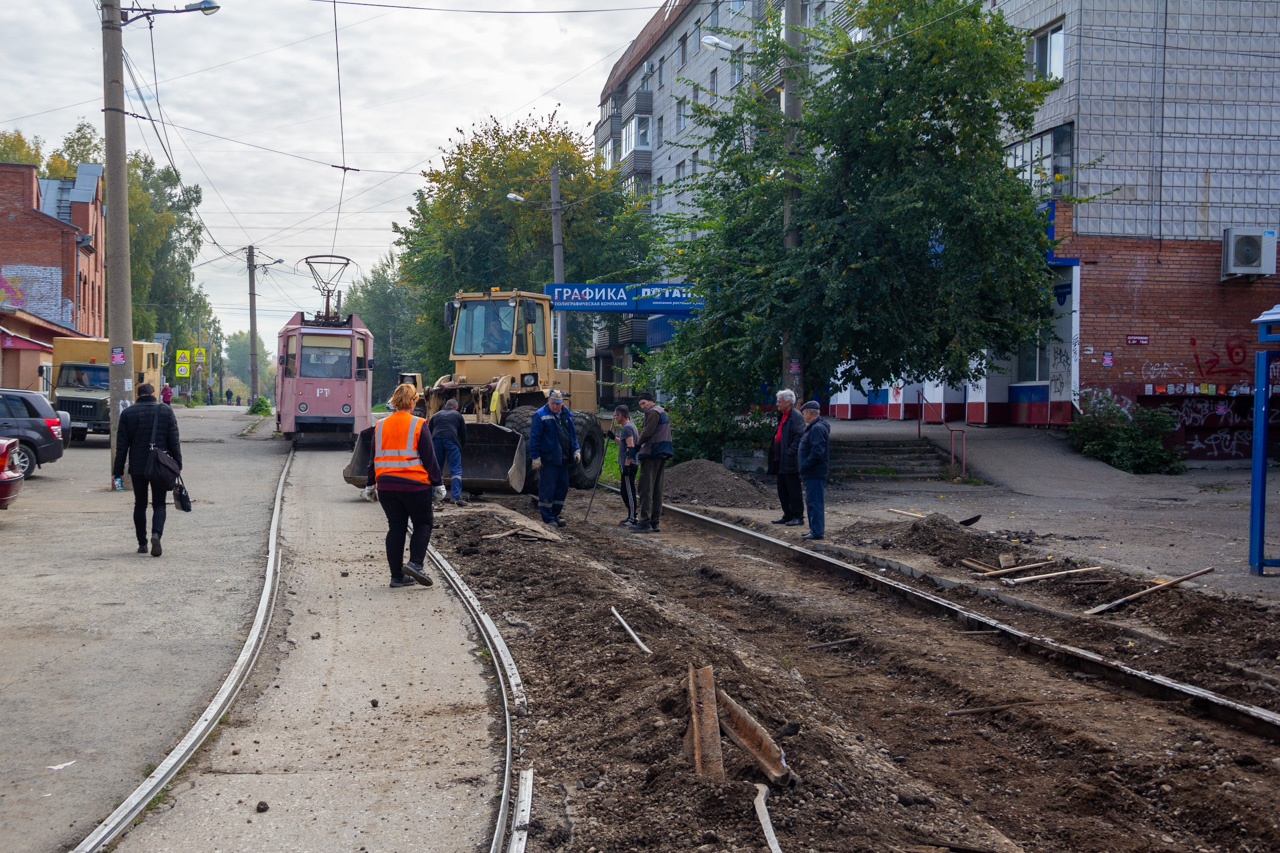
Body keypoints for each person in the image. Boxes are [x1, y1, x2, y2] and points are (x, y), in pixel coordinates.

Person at [366, 383, 445, 588]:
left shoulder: (380, 425)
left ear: (394, 401)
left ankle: (397, 577)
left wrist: (369, 484)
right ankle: (416, 564)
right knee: (423, 523)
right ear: (412, 402)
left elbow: (372, 458)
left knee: (396, 528)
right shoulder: (419, 424)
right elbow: (429, 458)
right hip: (415, 485)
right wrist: (438, 484)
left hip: (386, 486)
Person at [112, 383, 181, 557]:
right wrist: (178, 464)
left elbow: (122, 446)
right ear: (154, 393)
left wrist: (118, 470)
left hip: (138, 465)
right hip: (159, 464)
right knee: (159, 503)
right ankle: (156, 534)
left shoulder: (128, 413)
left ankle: (142, 544)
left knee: (140, 504)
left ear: (137, 395)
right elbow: (174, 439)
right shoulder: (165, 411)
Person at [528, 389, 579, 527]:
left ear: (562, 403)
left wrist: (576, 449)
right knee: (547, 488)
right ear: (548, 401)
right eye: (553, 403)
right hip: (548, 459)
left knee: (563, 487)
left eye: (558, 404)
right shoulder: (540, 415)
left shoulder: (566, 414)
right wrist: (535, 457)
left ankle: (555, 514)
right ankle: (547, 517)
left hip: (563, 458)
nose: (556, 406)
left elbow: (572, 435)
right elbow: (534, 439)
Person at [628, 392, 673, 533]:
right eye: (640, 404)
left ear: (651, 401)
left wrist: (636, 447)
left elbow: (647, 432)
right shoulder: (662, 411)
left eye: (643, 403)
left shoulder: (653, 413)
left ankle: (645, 521)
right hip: (662, 452)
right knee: (657, 489)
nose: (642, 407)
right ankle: (655, 522)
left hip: (652, 453)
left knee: (646, 487)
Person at [768, 389, 805, 527]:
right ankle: (787, 514)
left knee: (793, 489)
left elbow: (799, 437)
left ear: (788, 402)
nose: (777, 404)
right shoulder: (782, 415)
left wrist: (790, 452)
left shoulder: (796, 416)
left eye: (779, 401)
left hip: (790, 460)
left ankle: (797, 516)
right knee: (782, 489)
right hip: (780, 459)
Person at [797, 400, 830, 541]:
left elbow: (817, 451)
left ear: (809, 412)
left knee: (814, 502)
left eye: (804, 413)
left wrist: (805, 464)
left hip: (814, 472)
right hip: (813, 472)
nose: (803, 416)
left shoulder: (816, 428)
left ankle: (816, 531)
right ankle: (814, 530)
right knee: (812, 501)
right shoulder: (817, 427)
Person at [428, 398, 469, 507]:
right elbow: (463, 434)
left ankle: (434, 496)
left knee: (436, 469)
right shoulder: (458, 415)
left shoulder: (436, 415)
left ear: (445, 406)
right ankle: (455, 497)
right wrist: (460, 447)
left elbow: (429, 430)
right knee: (455, 469)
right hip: (451, 441)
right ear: (457, 408)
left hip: (436, 440)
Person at [613, 404, 640, 525]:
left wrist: (627, 465)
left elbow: (630, 446)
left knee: (628, 491)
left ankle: (633, 517)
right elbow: (624, 443)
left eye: (615, 415)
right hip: (627, 463)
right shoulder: (629, 426)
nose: (614, 418)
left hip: (628, 464)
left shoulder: (627, 428)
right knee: (624, 491)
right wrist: (614, 438)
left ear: (620, 415)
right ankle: (631, 515)